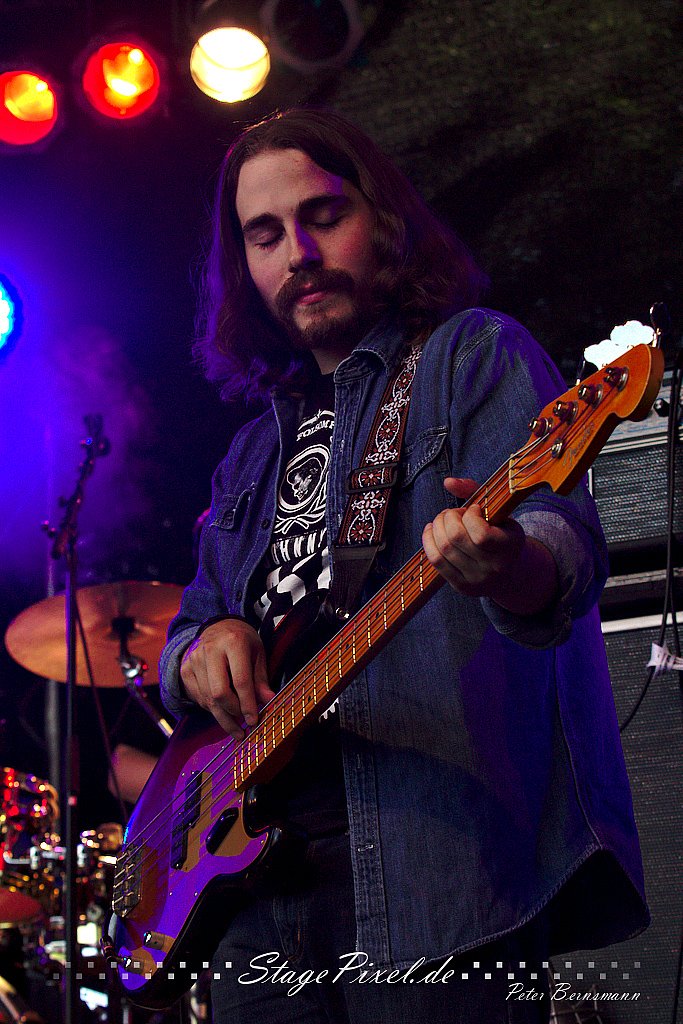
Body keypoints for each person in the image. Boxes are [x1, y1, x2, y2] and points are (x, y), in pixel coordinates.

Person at [159, 108, 648, 1024]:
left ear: (382, 221)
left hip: (432, 865)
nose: (299, 252)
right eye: (265, 235)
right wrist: (202, 646)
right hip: (251, 895)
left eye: (323, 215)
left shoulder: (471, 355)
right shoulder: (248, 454)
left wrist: (505, 563)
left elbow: (563, 548)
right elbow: (186, 628)